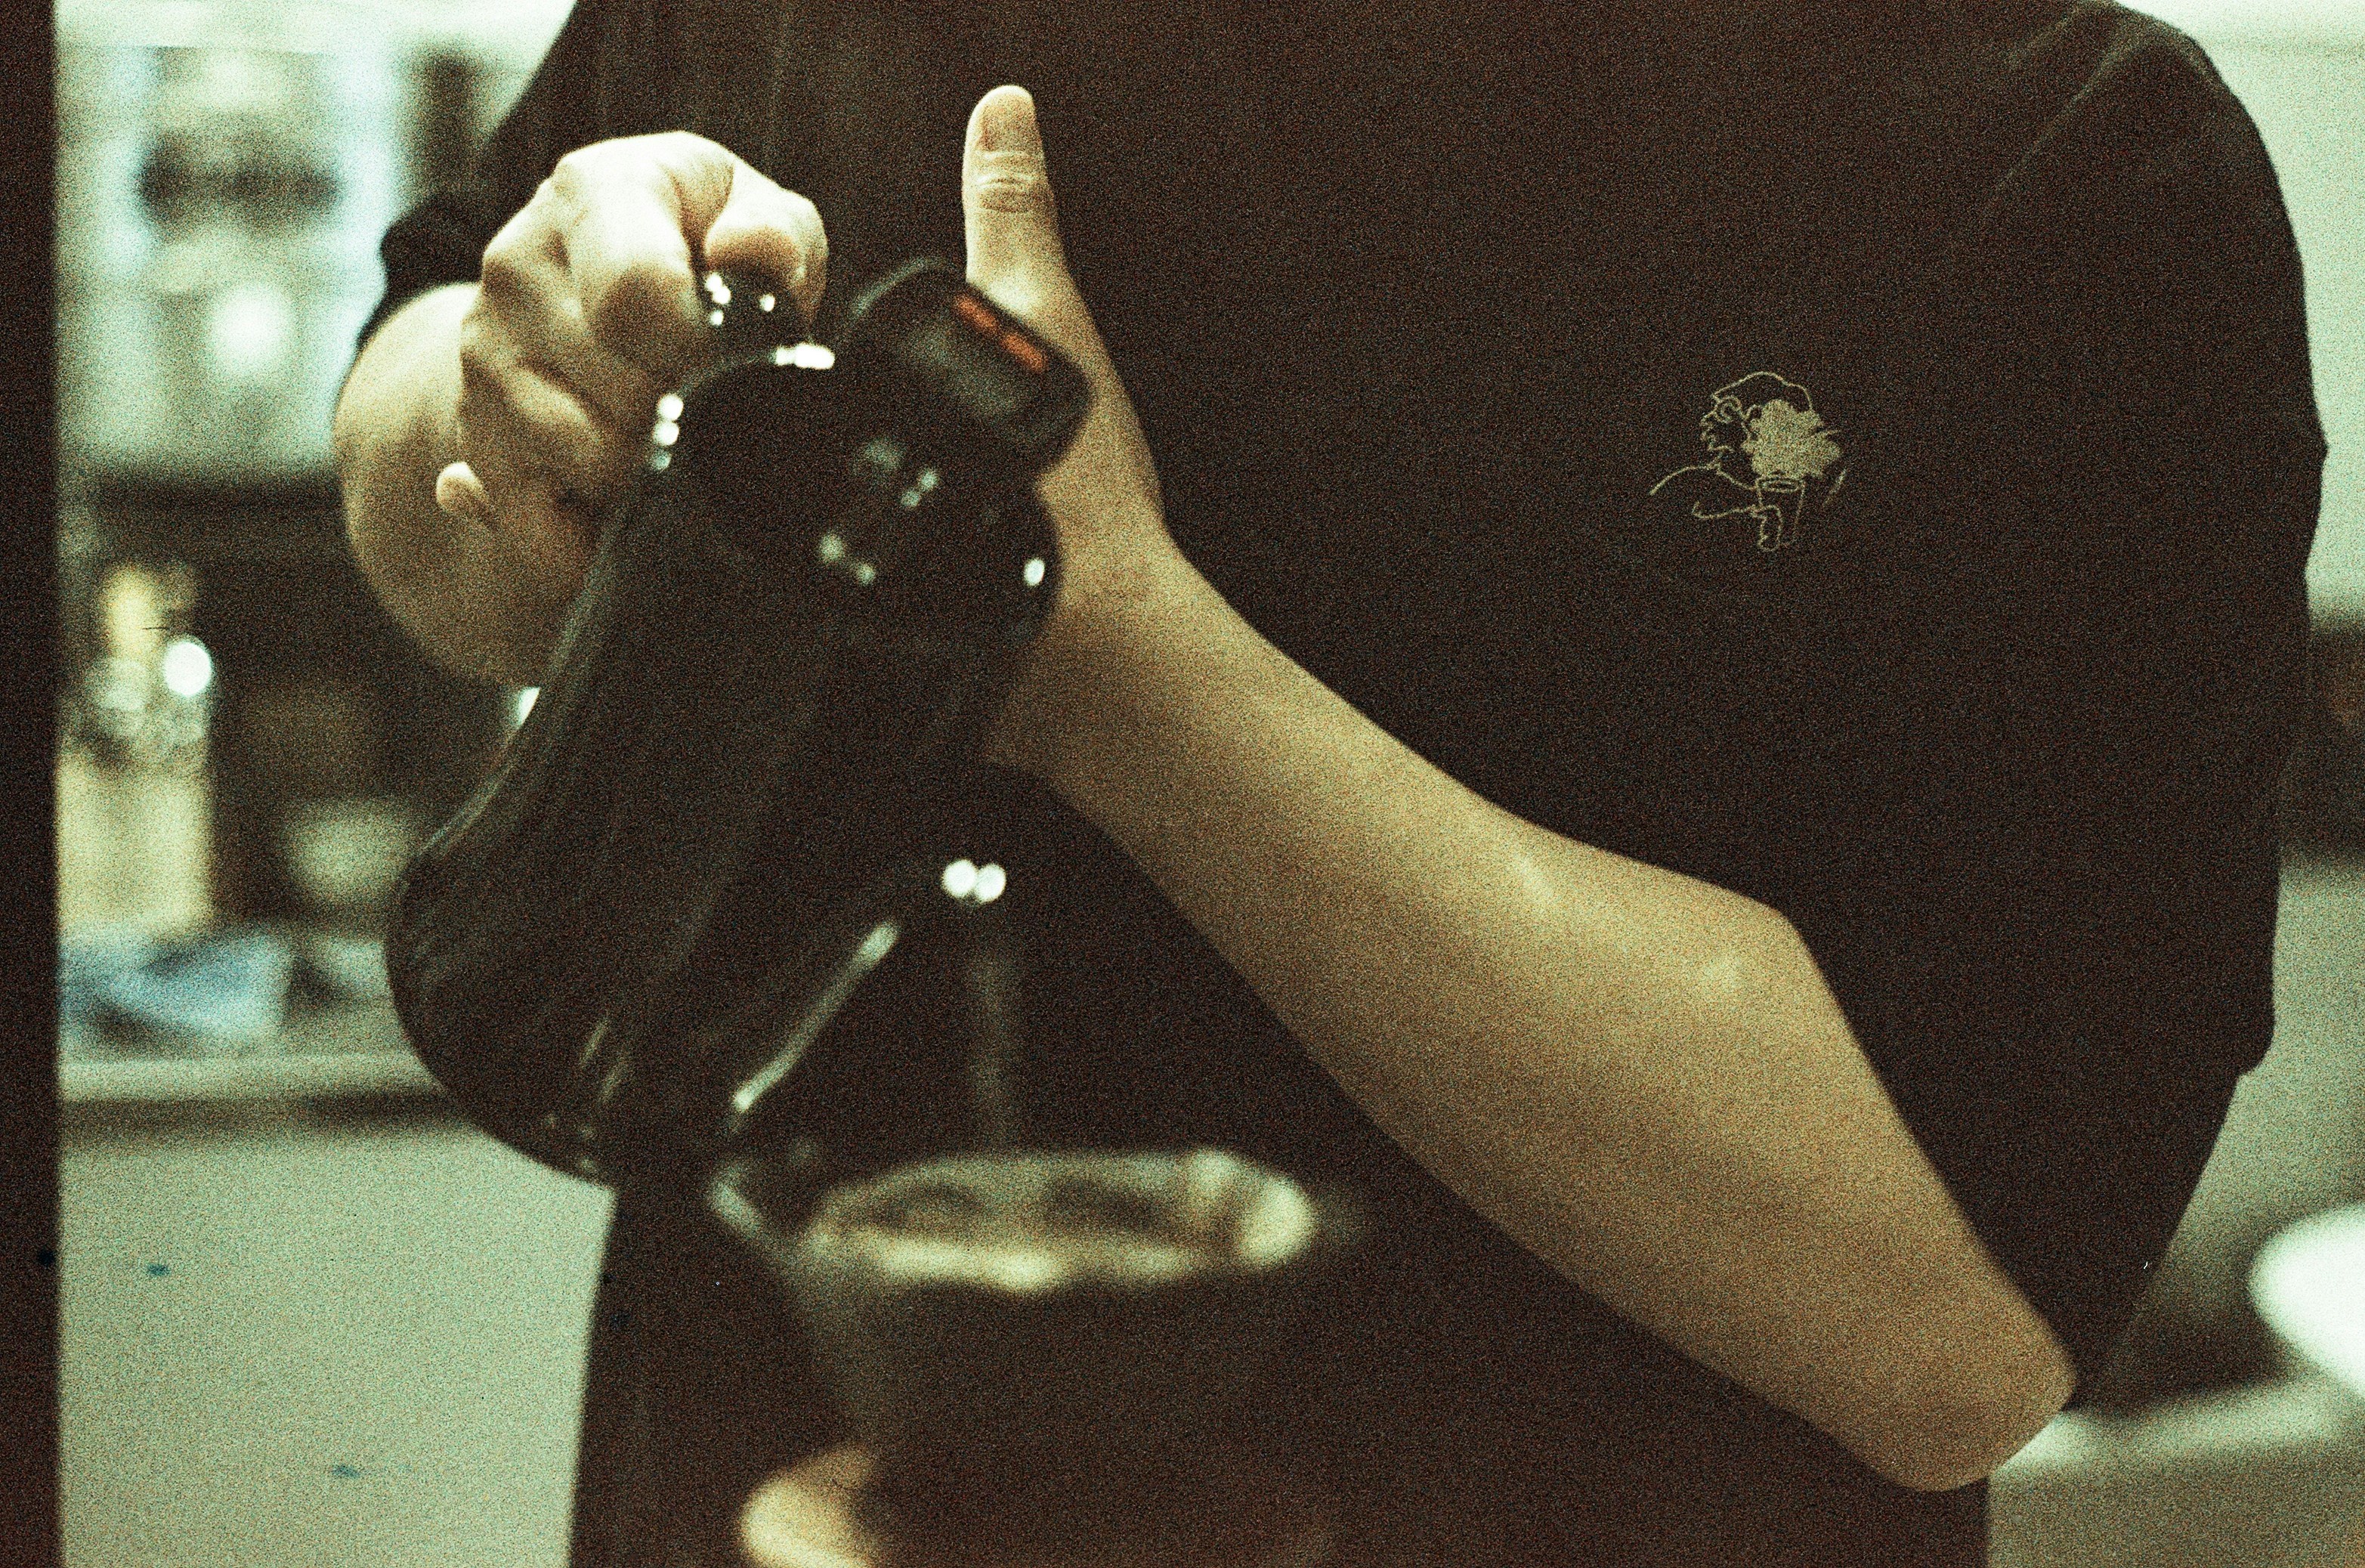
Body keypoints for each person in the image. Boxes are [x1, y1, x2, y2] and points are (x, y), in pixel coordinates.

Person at [331, 2, 2326, 1563]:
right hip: (752, 1492)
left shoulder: (2058, 155)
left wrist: (1124, 674)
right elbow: (425, 442)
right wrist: (507, 411)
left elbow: (1944, 1327)